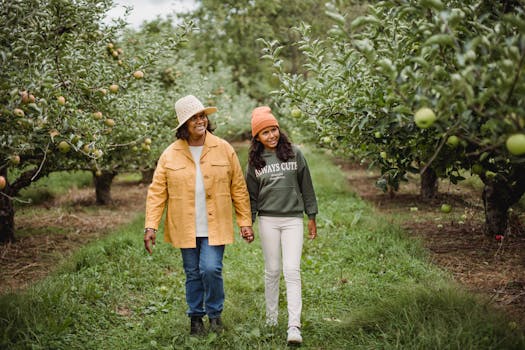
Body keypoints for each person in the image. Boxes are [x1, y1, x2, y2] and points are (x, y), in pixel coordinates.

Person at [143, 95, 254, 336]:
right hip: (185, 225)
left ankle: (214, 314)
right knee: (193, 273)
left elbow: (238, 187)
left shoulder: (223, 148)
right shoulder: (170, 154)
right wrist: (150, 226)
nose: (200, 121)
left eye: (202, 116)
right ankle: (195, 318)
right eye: (193, 118)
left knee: (211, 269)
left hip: (217, 223)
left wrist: (245, 221)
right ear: (184, 125)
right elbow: (157, 192)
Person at [245, 106, 318, 345]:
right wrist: (249, 222)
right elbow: (251, 196)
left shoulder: (294, 154)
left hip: (292, 220)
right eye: (265, 132)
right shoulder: (255, 162)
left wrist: (312, 217)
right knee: (273, 270)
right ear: (257, 137)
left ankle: (294, 326)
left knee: (292, 270)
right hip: (268, 220)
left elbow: (306, 186)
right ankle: (271, 318)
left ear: (279, 129)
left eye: (274, 129)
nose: (272, 136)